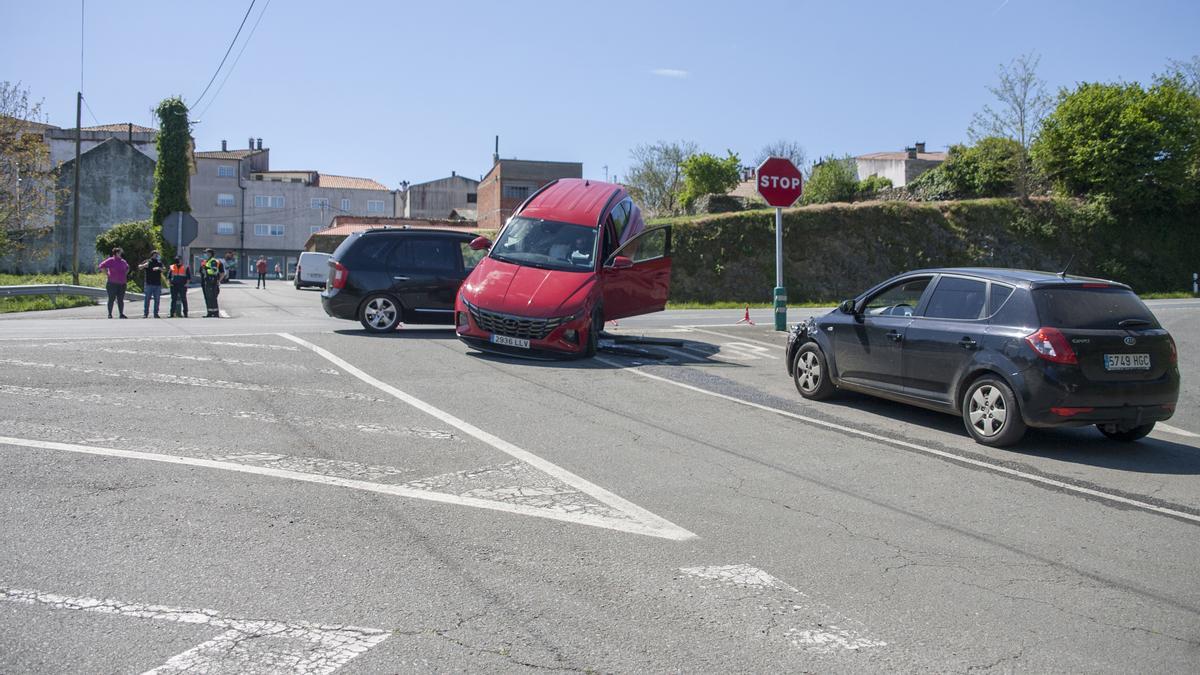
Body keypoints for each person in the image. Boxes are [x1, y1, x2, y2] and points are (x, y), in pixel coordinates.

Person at [98, 247, 129, 319]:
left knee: (120, 299)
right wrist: (107, 273)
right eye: (119, 253)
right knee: (111, 299)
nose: (121, 254)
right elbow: (101, 266)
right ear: (116, 253)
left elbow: (127, 268)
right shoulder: (111, 260)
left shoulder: (123, 261)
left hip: (122, 283)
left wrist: (124, 274)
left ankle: (121, 314)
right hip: (112, 283)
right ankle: (110, 314)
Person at [199, 248, 226, 317]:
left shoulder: (215, 261)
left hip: (212, 282)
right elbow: (201, 271)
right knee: (207, 298)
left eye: (206, 253)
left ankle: (215, 313)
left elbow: (222, 273)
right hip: (205, 282)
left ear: (210, 254)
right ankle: (210, 312)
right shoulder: (205, 262)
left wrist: (218, 281)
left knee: (212, 297)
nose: (205, 254)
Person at [138, 250, 165, 318]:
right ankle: (145, 313)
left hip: (157, 284)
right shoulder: (148, 261)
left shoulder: (159, 262)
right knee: (147, 299)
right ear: (152, 255)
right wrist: (144, 265)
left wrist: (159, 268)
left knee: (157, 300)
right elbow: (139, 267)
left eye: (157, 255)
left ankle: (156, 313)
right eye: (156, 255)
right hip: (149, 283)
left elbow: (164, 269)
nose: (157, 256)